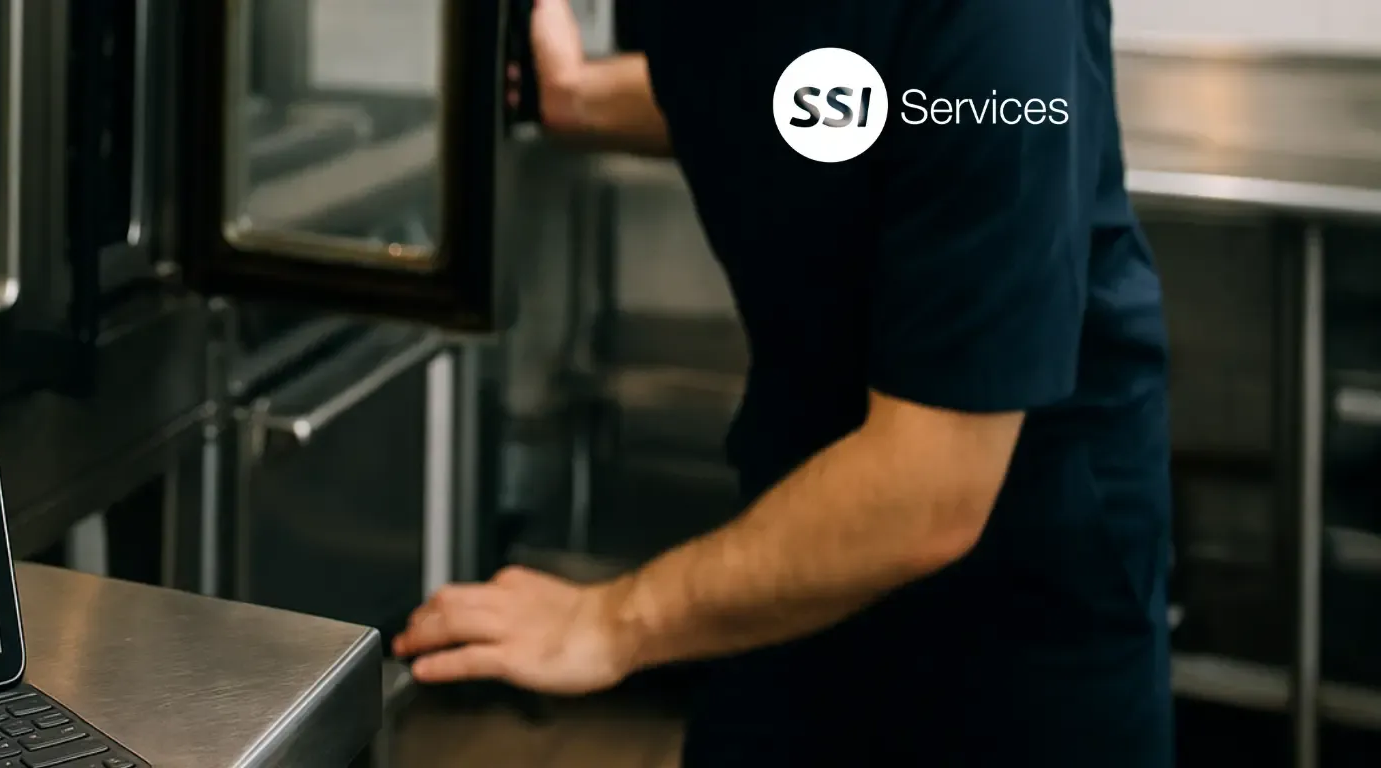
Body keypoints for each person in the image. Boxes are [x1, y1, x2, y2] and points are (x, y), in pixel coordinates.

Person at [393, 1, 1174, 765]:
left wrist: (609, 622)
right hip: (799, 510)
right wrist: (577, 94)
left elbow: (932, 492)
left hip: (1019, 576)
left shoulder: (1002, 21)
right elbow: (810, 97)